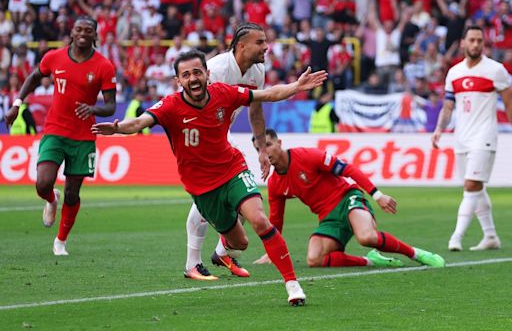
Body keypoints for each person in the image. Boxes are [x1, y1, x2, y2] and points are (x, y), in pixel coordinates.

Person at [92, 50, 327, 306]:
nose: (193, 78)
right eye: (186, 75)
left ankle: (292, 285)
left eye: (197, 72)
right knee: (241, 242)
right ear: (178, 81)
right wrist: (117, 129)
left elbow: (267, 94)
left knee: (260, 220)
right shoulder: (171, 105)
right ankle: (221, 251)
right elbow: (139, 122)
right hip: (203, 188)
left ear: (207, 74)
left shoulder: (224, 93)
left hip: (232, 170)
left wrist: (297, 86)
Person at [253, 129, 446, 269]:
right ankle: (371, 261)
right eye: (259, 149)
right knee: (314, 259)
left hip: (348, 199)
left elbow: (348, 169)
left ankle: (416, 254)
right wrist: (272, 250)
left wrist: (377, 195)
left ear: (279, 143)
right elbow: (277, 221)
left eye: (268, 145)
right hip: (328, 218)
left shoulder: (308, 156)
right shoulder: (275, 184)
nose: (265, 152)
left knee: (367, 237)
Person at [5, 16, 117, 256]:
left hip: (84, 136)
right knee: (42, 182)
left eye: (88, 30)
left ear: (95, 35)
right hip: (55, 130)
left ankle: (60, 241)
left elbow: (110, 106)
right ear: (72, 32)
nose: (83, 33)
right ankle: (50, 199)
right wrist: (17, 103)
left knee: (73, 192)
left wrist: (93, 108)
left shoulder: (104, 66)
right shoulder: (54, 57)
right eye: (79, 29)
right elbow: (34, 77)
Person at [183, 23, 271, 281]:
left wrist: (262, 149)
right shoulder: (218, 69)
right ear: (241, 46)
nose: (266, 47)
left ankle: (220, 253)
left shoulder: (258, 71)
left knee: (241, 196)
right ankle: (193, 263)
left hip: (221, 136)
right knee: (209, 196)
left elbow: (256, 110)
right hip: (199, 137)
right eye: (260, 42)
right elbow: (190, 104)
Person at [432, 25, 512, 251]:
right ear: (463, 44)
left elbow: (509, 103)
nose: (476, 44)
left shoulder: (496, 70)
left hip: (484, 136)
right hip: (461, 138)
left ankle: (456, 237)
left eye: (480, 41)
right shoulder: (454, 73)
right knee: (476, 189)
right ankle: (491, 236)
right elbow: (448, 107)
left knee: (471, 185)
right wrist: (439, 129)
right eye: (472, 40)